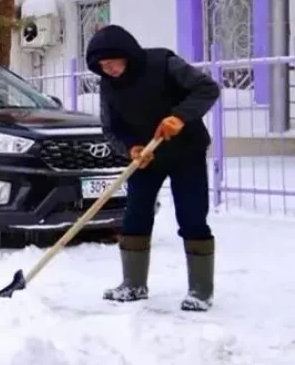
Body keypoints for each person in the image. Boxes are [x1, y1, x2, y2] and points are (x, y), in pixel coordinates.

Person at [85, 24, 221, 311]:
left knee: (192, 215)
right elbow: (111, 128)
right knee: (135, 215)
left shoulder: (162, 63)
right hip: (147, 156)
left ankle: (201, 290)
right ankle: (133, 284)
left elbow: (207, 88)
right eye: (102, 66)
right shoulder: (108, 86)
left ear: (126, 54)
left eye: (111, 63)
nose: (107, 70)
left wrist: (179, 117)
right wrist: (130, 148)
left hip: (187, 152)